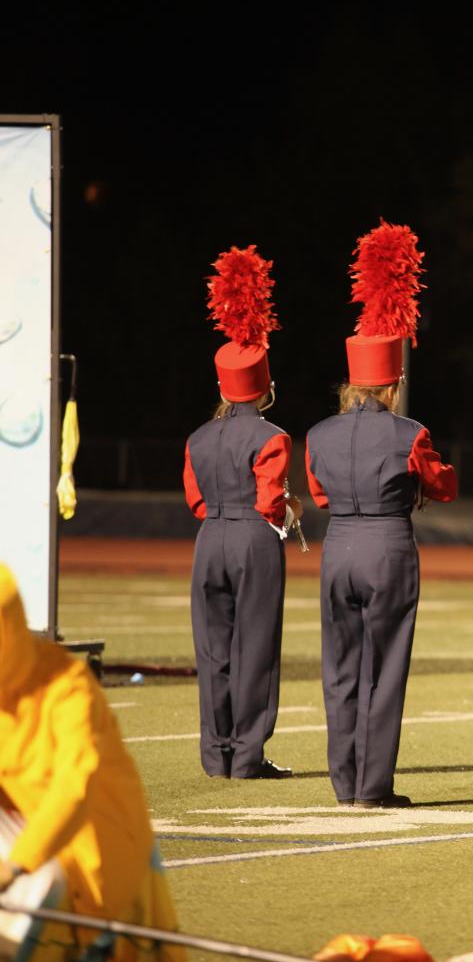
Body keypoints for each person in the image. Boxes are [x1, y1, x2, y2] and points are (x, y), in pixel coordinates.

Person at [306, 221, 457, 808]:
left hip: (338, 544)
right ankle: (374, 787)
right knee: (384, 667)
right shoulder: (409, 431)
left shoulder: (318, 432)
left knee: (339, 668)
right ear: (391, 383)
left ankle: (344, 783)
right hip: (388, 547)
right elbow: (441, 485)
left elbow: (318, 494)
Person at [0, 563, 188, 962]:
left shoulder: (67, 686)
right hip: (43, 855)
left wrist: (16, 865)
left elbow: (73, 785)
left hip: (100, 859)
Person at [183, 245, 298, 780]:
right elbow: (270, 500)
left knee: (213, 648)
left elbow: (196, 499)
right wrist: (288, 511)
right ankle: (248, 755)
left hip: (210, 537)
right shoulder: (272, 435)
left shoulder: (199, 437)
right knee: (255, 644)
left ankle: (216, 754)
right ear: (265, 386)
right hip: (254, 538)